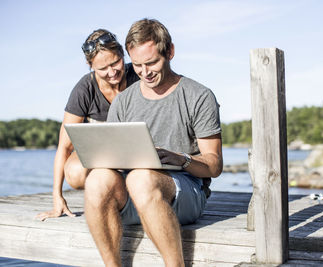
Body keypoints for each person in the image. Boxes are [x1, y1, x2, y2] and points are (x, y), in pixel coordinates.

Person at [84, 19, 223, 266]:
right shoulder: (123, 102)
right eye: (137, 65)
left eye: (152, 63)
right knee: (96, 179)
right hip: (134, 193)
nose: (144, 72)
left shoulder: (198, 96)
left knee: (141, 178)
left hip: (185, 191)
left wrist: (182, 159)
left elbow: (214, 165)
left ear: (170, 51)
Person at [36, 29, 139, 221]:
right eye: (102, 68)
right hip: (101, 158)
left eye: (116, 62)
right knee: (74, 172)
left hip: (136, 154)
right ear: (90, 66)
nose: (112, 72)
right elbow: (64, 147)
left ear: (123, 55)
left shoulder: (139, 76)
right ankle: (113, 186)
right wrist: (57, 196)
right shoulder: (84, 89)